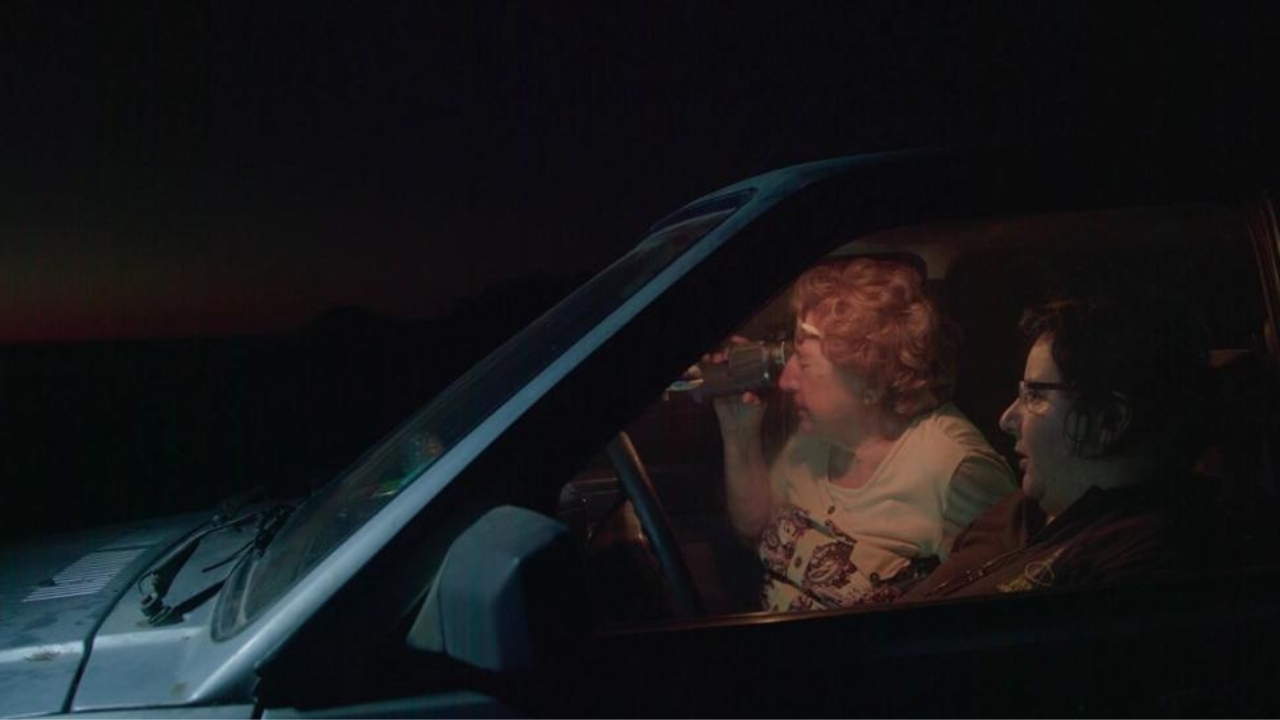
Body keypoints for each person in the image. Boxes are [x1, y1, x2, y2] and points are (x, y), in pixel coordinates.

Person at [711, 257, 1015, 612]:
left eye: (805, 364)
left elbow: (997, 606)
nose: (786, 380)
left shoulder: (955, 469)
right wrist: (739, 434)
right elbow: (753, 526)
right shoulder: (819, 433)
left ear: (871, 382)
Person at [899, 294, 1214, 601]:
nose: (1006, 419)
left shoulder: (1143, 560)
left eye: (1035, 395)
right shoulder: (1020, 512)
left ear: (1108, 420)